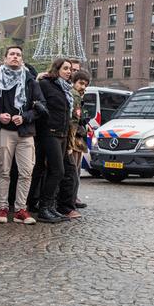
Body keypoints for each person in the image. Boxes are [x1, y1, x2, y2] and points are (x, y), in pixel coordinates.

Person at [0, 46, 45, 225]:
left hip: (25, 132)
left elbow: (40, 106)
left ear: (22, 59)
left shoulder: (30, 80)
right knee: (4, 170)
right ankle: (2, 207)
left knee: (26, 172)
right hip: (5, 131)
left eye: (18, 55)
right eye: (12, 54)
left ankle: (20, 209)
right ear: (5, 58)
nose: (15, 57)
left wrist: (24, 117)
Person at [36, 58, 80, 223]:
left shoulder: (66, 88)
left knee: (55, 172)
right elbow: (40, 103)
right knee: (58, 170)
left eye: (70, 69)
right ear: (57, 69)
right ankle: (43, 208)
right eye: (65, 68)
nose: (69, 71)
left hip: (62, 133)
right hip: (49, 132)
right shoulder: (46, 84)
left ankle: (50, 206)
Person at [69, 69, 91, 209]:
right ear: (74, 82)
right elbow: (74, 121)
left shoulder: (79, 96)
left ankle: (72, 198)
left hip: (77, 139)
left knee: (75, 172)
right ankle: (71, 200)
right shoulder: (75, 96)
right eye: (80, 83)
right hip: (75, 141)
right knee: (73, 172)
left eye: (85, 84)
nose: (83, 87)